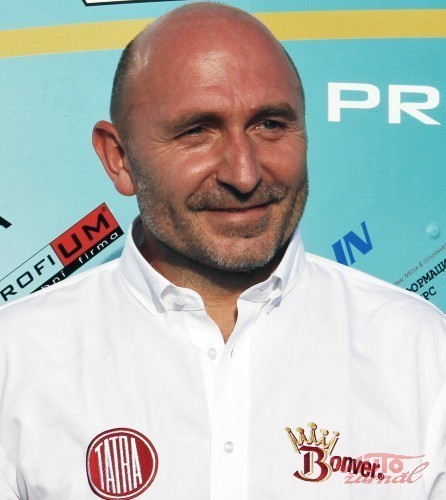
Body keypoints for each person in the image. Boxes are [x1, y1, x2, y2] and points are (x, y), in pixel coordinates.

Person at [0, 3, 445, 499]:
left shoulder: (422, 352)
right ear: (118, 158)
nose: (244, 174)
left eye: (269, 125)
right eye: (197, 131)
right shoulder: (16, 358)